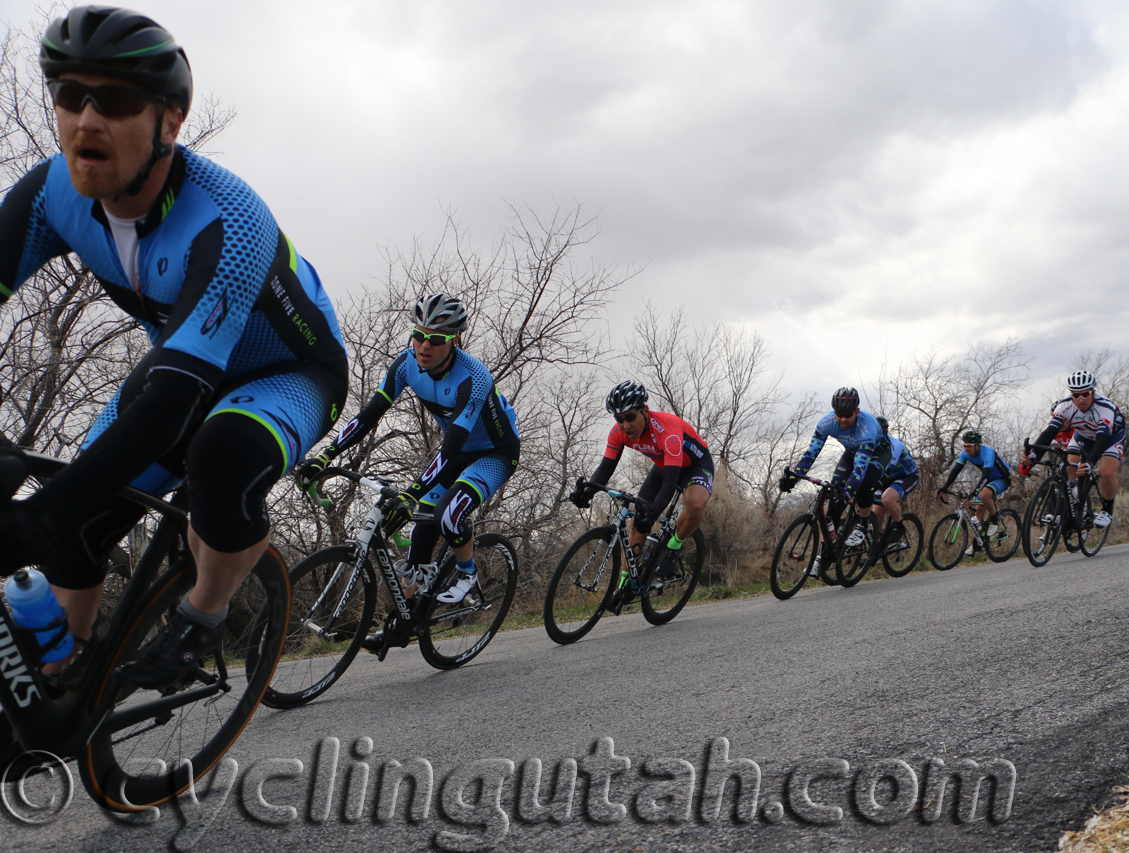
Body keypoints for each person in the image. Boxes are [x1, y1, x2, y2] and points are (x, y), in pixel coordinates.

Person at [0, 7, 348, 689]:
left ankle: (201, 617)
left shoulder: (229, 218)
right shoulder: (48, 194)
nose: (87, 121)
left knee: (219, 457)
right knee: (80, 521)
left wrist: (47, 512)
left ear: (171, 122)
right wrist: (57, 512)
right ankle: (58, 688)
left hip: (291, 371)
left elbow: (175, 401)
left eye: (119, 100)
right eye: (71, 96)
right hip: (184, 363)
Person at [297, 294, 519, 652]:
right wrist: (326, 455)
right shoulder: (405, 365)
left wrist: (413, 491)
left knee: (449, 511)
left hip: (494, 453)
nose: (423, 345)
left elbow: (451, 447)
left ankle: (467, 572)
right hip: (457, 453)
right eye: (418, 335)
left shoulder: (473, 377)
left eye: (435, 339)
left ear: (455, 341)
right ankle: (406, 620)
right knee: (420, 531)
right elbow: (368, 415)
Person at [570, 380, 712, 613]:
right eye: (618, 419)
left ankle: (673, 547)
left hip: (694, 466)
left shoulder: (668, 431)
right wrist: (587, 493)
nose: (624, 425)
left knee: (695, 505)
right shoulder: (618, 433)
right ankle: (626, 584)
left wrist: (653, 514)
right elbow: (605, 469)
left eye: (629, 416)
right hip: (664, 465)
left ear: (645, 410)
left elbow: (669, 483)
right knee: (637, 521)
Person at [780, 387, 890, 554]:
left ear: (857, 411)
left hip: (877, 456)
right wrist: (793, 479)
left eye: (848, 414)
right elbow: (811, 454)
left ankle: (863, 525)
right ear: (834, 412)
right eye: (839, 414)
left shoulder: (867, 427)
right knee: (834, 496)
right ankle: (826, 553)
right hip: (852, 453)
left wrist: (847, 495)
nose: (843, 419)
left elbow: (860, 470)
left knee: (862, 486)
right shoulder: (826, 423)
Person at [1021, 370, 1126, 528]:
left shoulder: (1105, 408)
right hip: (1083, 435)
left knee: (1106, 472)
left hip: (1110, 437)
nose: (1081, 400)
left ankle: (1107, 509)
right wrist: (1033, 456)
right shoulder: (1065, 406)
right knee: (1069, 466)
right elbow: (1050, 433)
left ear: (1093, 392)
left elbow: (1102, 439)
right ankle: (1075, 500)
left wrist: (1090, 462)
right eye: (1076, 395)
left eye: (1085, 394)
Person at [937, 428, 1012, 556]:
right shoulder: (965, 454)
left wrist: (974, 493)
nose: (966, 448)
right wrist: (945, 487)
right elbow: (955, 470)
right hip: (988, 480)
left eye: (969, 446)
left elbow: (986, 475)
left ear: (977, 445)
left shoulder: (988, 453)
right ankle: (978, 543)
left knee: (983, 495)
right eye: (964, 445)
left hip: (1002, 478)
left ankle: (995, 518)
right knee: (978, 514)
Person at [871, 416, 918, 549]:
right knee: (876, 514)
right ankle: (876, 547)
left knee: (887, 499)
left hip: (906, 476)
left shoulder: (895, 445)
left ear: (885, 432)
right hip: (886, 479)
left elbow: (886, 469)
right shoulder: (869, 444)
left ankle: (899, 526)